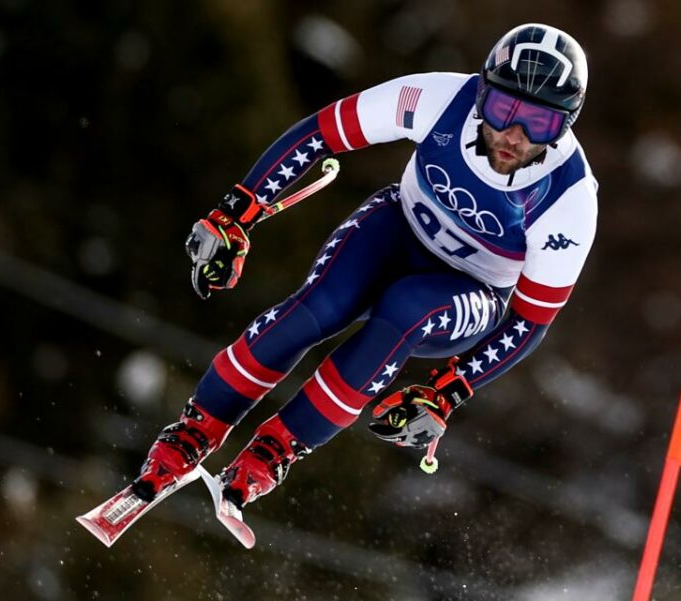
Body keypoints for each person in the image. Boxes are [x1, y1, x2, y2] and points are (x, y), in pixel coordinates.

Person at [131, 23, 599, 511]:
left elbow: (531, 321)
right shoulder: (439, 98)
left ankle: (275, 449)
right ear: (482, 91)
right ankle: (196, 428)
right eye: (503, 109)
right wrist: (237, 213)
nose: (513, 136)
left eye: (539, 124)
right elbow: (322, 133)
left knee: (406, 308)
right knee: (319, 307)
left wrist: (450, 389)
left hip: (469, 290)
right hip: (397, 230)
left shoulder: (569, 199)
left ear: (566, 125)